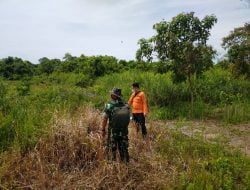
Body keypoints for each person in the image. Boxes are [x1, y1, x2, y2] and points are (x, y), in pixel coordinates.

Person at [101, 88, 130, 163]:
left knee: (112, 149)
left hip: (113, 132)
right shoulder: (126, 105)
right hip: (124, 132)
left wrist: (103, 129)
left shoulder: (109, 105)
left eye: (112, 94)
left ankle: (112, 165)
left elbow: (105, 119)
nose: (110, 95)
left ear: (114, 95)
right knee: (124, 149)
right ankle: (126, 165)